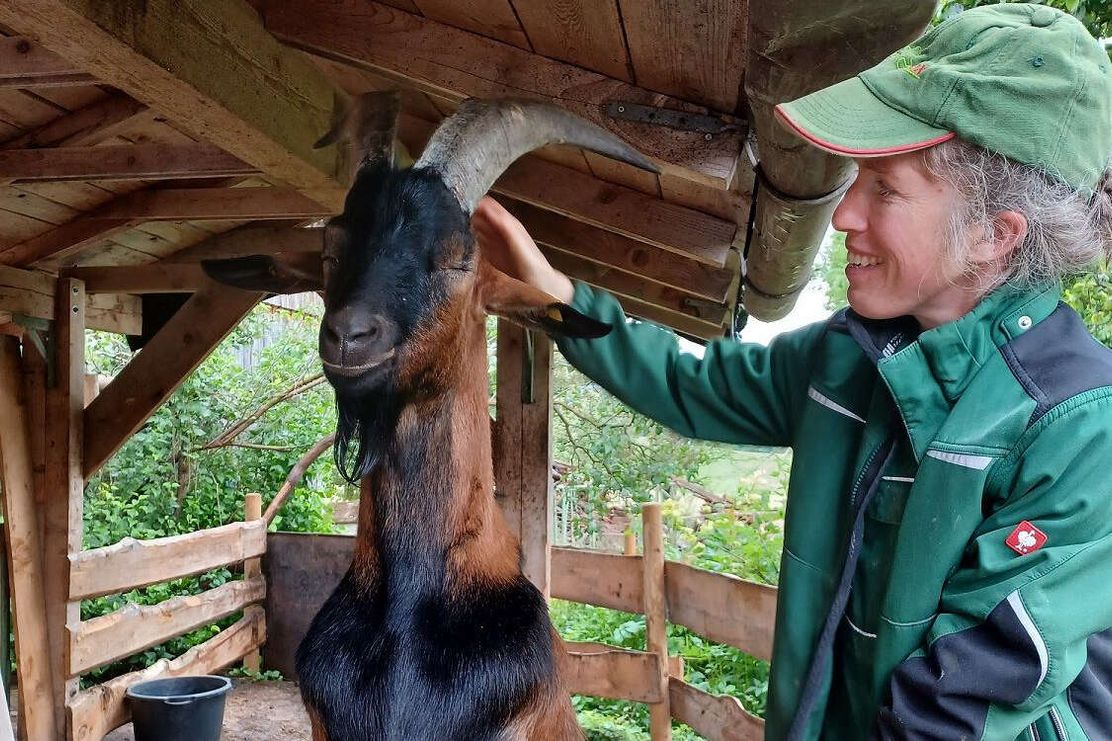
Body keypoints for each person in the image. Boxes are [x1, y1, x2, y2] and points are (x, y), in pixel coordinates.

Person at [473, 3, 1112, 739]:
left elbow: (964, 702)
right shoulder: (850, 354)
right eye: (855, 179)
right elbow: (697, 384)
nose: (843, 216)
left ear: (994, 235)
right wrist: (561, 299)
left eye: (885, 188)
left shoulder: (1079, 424)